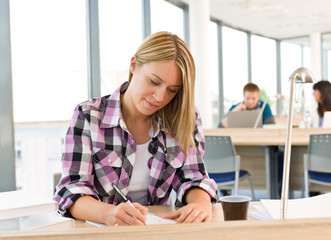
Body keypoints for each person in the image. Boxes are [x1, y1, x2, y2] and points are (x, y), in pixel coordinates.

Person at [54, 31, 218, 226]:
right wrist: (109, 214)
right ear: (133, 65)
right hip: (102, 232)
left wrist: (201, 202)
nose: (160, 97)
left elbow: (193, 177)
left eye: (172, 90)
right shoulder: (89, 115)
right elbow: (72, 189)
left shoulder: (184, 118)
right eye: (154, 81)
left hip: (156, 231)